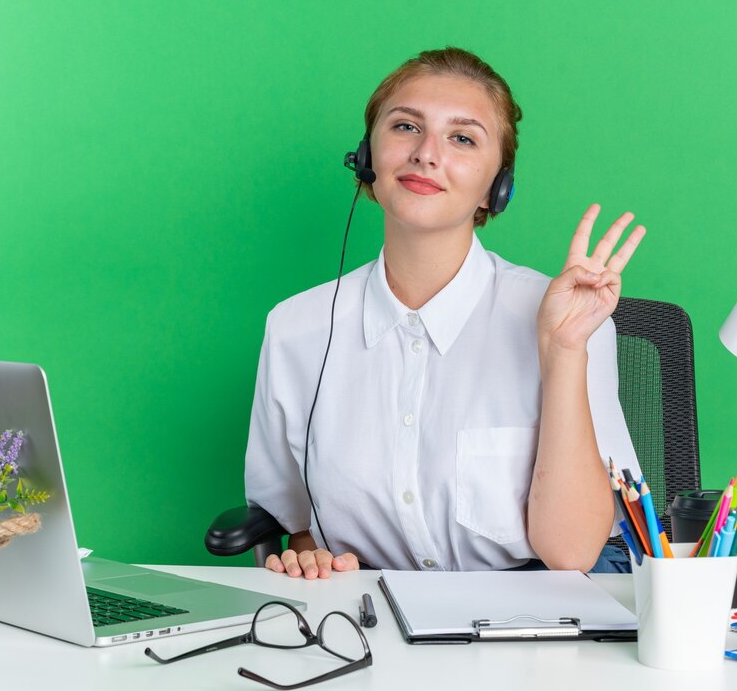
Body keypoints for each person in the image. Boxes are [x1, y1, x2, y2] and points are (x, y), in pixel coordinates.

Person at [244, 47, 645, 579]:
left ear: (496, 190)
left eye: (462, 138)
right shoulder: (296, 329)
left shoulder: (561, 319)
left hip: (530, 625)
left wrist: (564, 352)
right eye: (406, 127)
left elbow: (570, 555)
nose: (426, 154)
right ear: (367, 159)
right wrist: (307, 556)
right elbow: (290, 521)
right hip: (372, 622)